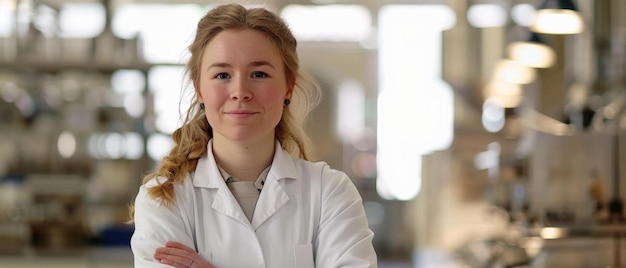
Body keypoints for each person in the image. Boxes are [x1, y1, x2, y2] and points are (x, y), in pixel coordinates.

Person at [128, 3, 377, 267]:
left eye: (259, 74)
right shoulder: (164, 199)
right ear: (199, 90)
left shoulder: (330, 192)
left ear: (288, 88)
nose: (240, 91)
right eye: (222, 74)